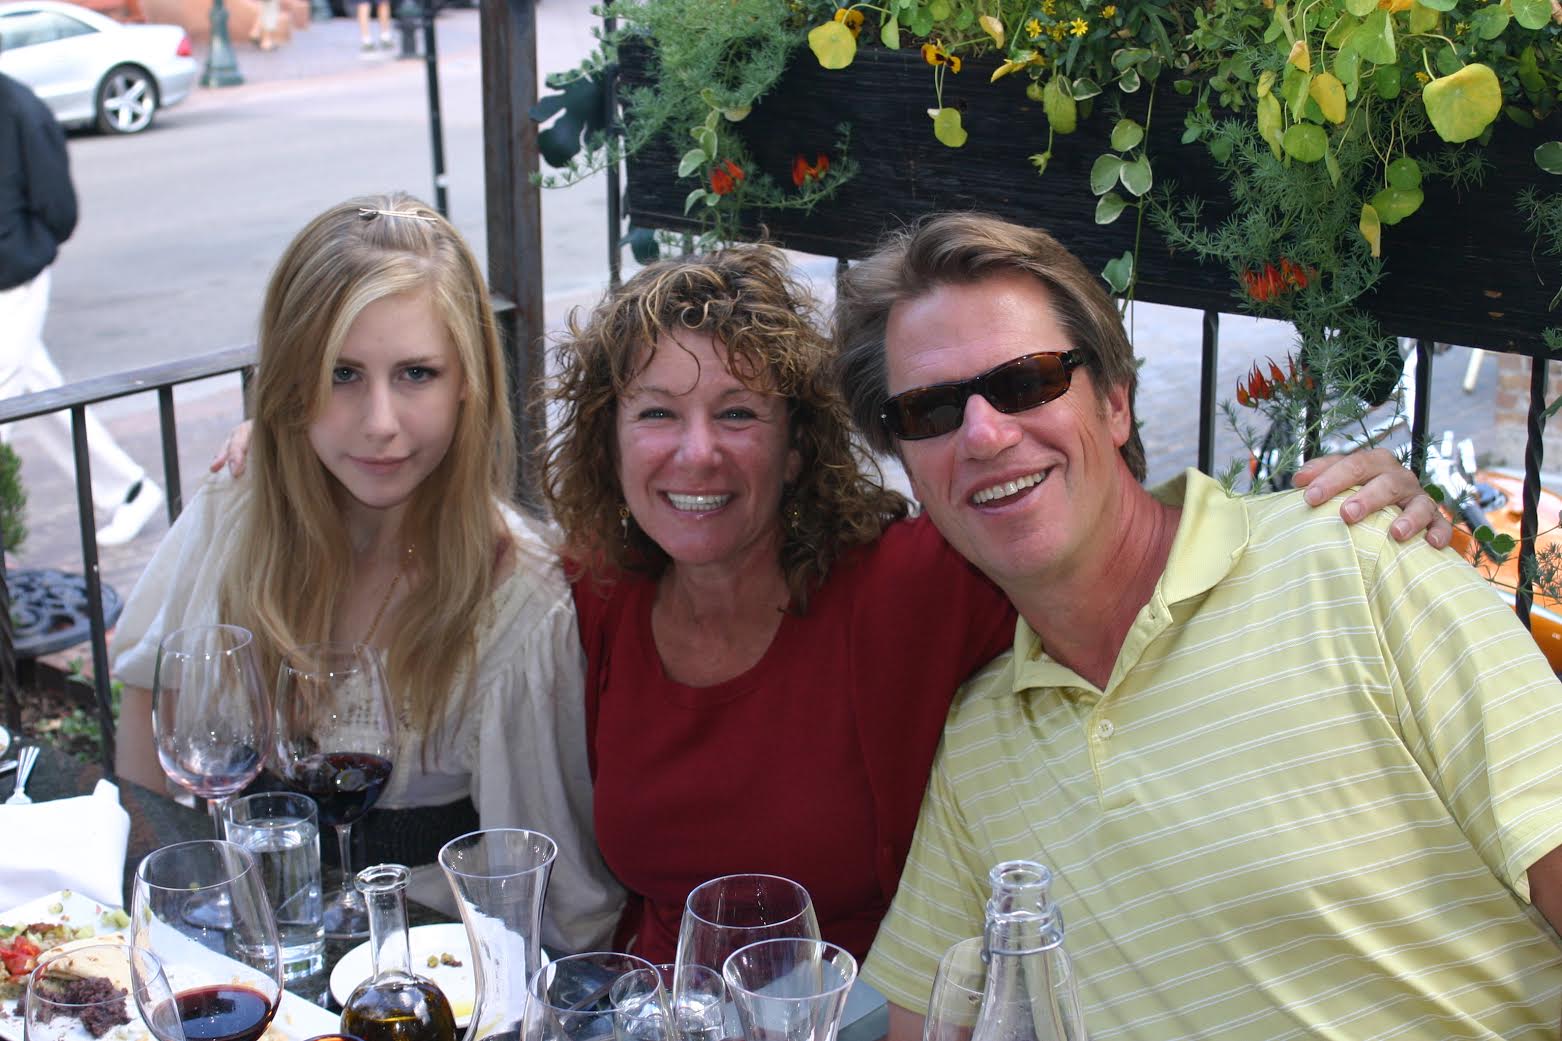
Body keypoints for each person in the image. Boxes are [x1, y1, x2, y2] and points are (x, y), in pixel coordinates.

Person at [540, 244, 1448, 965]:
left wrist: (1329, 516)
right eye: (656, 413)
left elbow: (1098, 535)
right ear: (608, 443)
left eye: (738, 413)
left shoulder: (911, 583)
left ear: (796, 449)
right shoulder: (597, 601)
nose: (696, 454)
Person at [832, 213, 1562, 1039]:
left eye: (1028, 379)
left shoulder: (1360, 560)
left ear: (1114, 403)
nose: (986, 433)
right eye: (929, 410)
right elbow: (919, 1022)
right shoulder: (981, 742)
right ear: (910, 468)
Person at [109, 193, 620, 952]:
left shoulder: (517, 599)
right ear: (290, 383)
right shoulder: (236, 508)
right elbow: (150, 705)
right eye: (342, 373)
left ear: (467, 384)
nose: (379, 421)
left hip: (407, 968)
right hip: (232, 947)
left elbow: (549, 897)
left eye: (415, 372)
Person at [0, 56, 164, 547]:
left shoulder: (18, 107)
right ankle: (128, 489)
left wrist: (23, 249)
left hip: (14, 276)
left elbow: (58, 207)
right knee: (38, 392)